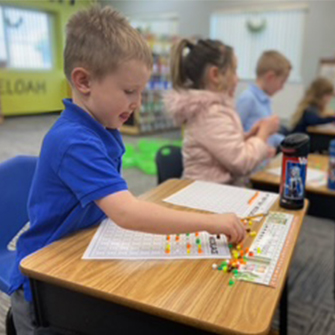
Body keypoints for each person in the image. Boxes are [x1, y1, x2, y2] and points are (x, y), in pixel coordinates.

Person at [9, 7, 246, 335]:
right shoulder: (73, 140)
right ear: (84, 81)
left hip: (81, 250)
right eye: (128, 91)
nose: (136, 103)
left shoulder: (104, 125)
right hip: (44, 281)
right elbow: (127, 213)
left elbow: (115, 206)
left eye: (140, 92)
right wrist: (210, 223)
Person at [164, 39, 279, 185]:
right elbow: (241, 163)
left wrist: (249, 137)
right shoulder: (209, 114)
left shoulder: (214, 110)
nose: (238, 78)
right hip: (206, 196)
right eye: (235, 71)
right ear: (215, 75)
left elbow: (224, 148)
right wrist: (263, 134)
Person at [237, 50, 292, 148]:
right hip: (252, 161)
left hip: (264, 160)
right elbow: (236, 136)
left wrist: (289, 143)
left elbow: (270, 136)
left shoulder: (265, 101)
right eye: (282, 82)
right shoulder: (248, 98)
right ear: (270, 77)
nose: (282, 87)